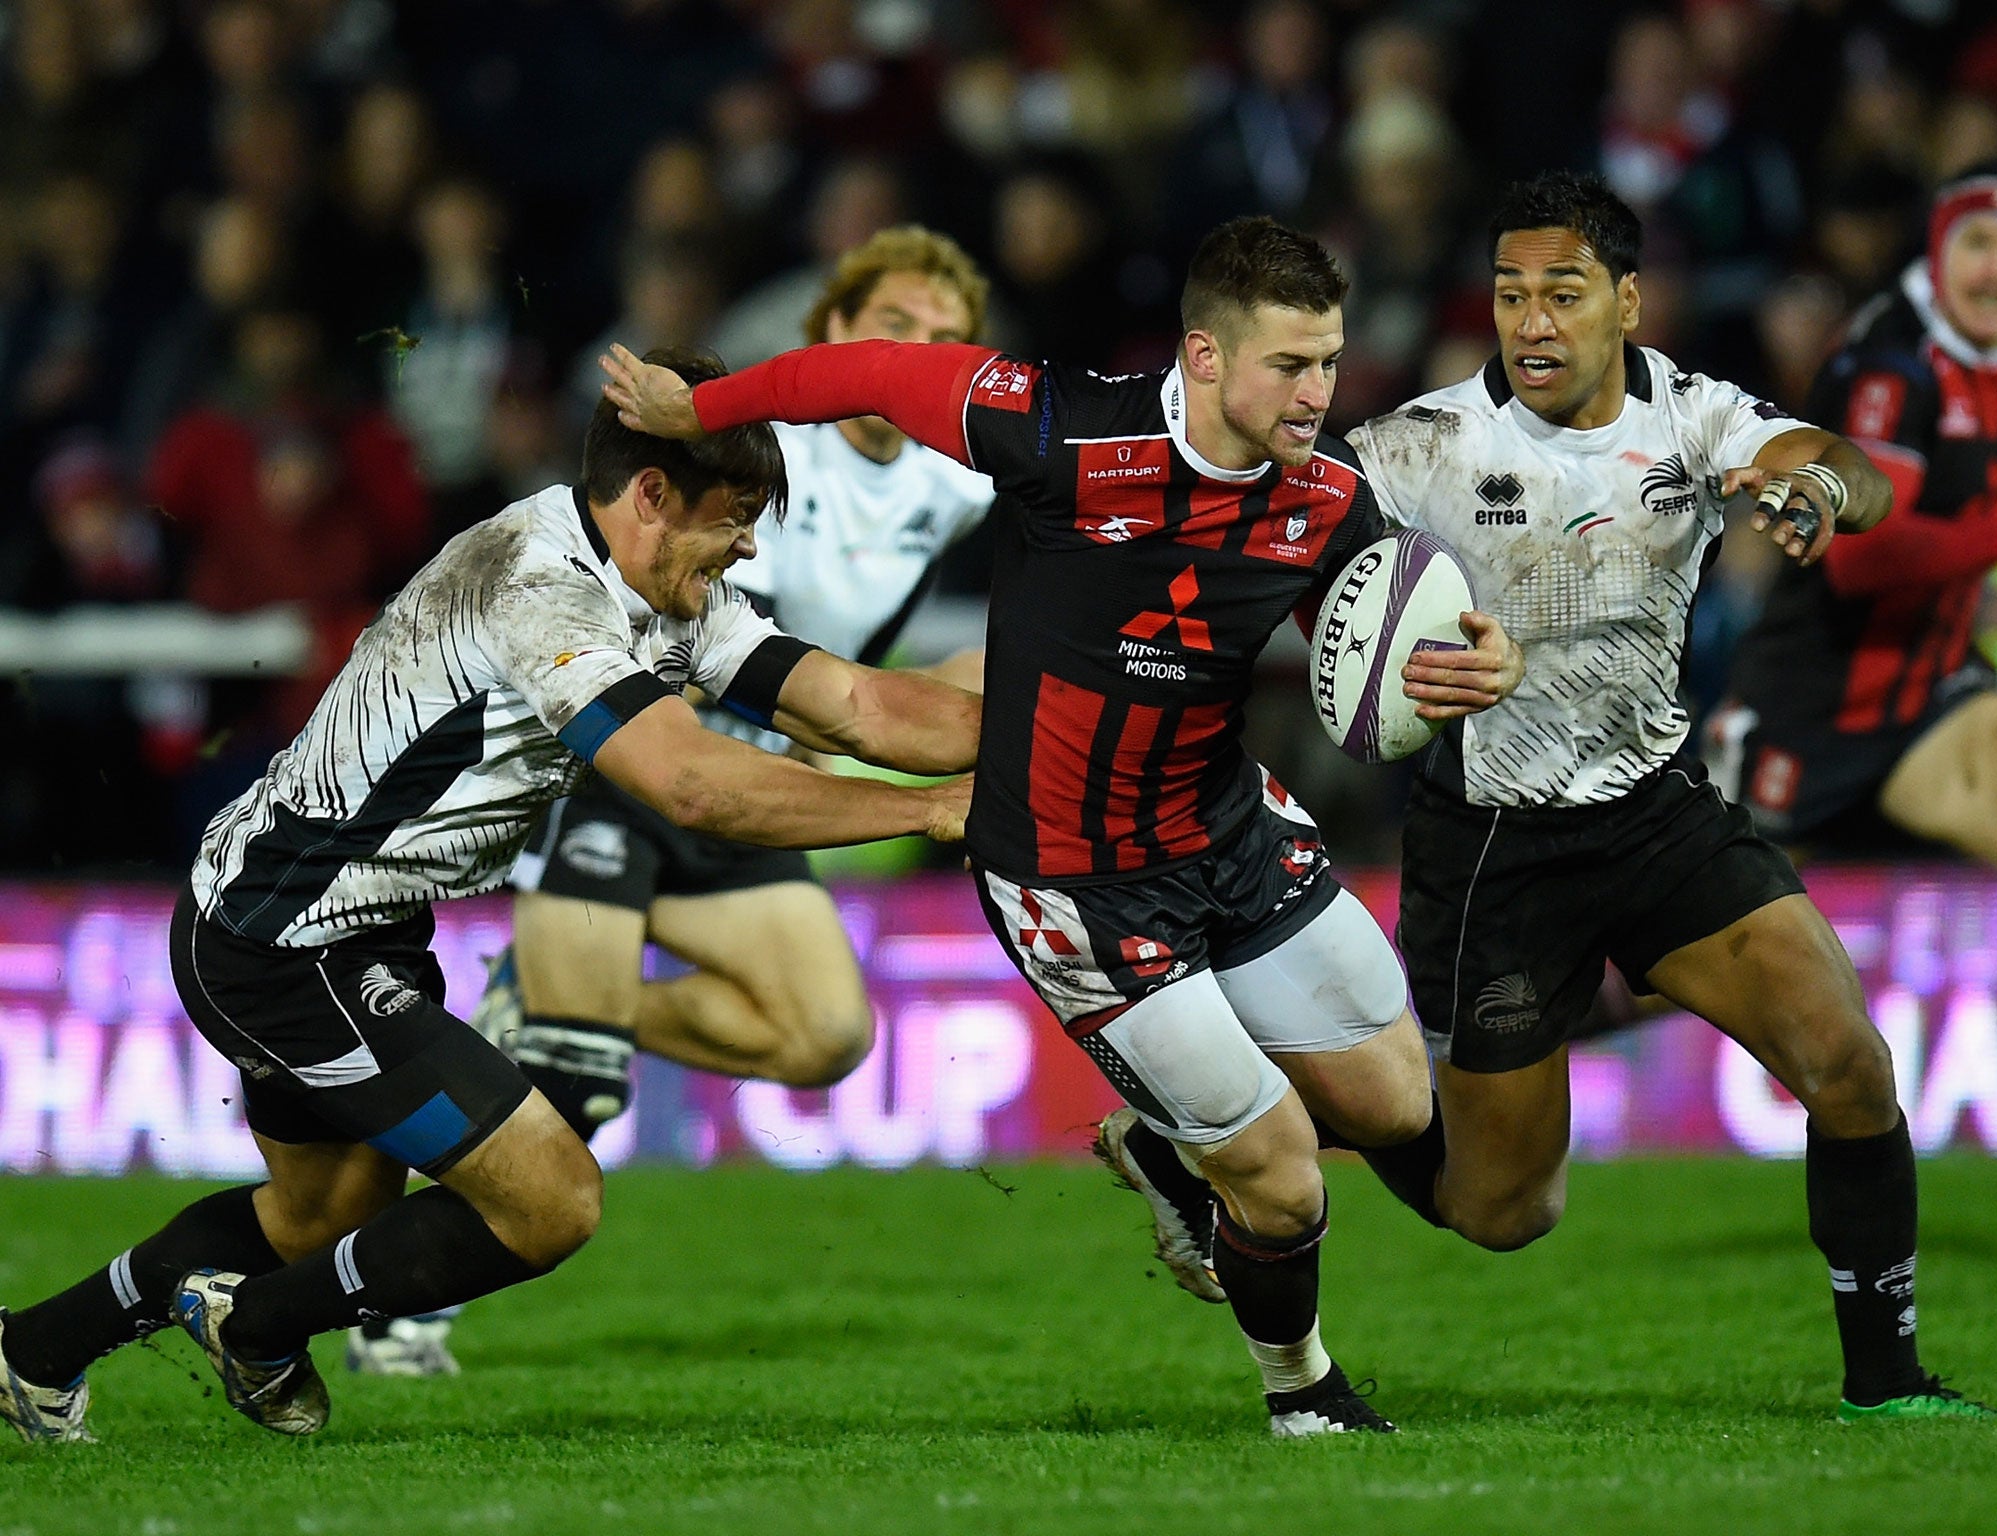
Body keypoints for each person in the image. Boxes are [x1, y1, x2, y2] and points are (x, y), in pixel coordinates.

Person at [598, 216, 1525, 1436]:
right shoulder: (1062, 428)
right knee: (1285, 1180)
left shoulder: (1327, 498)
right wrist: (705, 405)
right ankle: (1301, 1389)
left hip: (1228, 829)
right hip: (1074, 879)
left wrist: (1470, 666)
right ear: (1203, 356)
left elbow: (1376, 644)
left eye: (1328, 362)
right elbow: (872, 370)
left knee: (1398, 1109)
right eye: (1288, 366)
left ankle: (1160, 1137)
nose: (1316, 394)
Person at [0, 349, 979, 1443]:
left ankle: (32, 1351)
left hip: (335, 924)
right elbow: (692, 786)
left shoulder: (665, 596)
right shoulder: (536, 585)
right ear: (650, 496)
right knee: (550, 1198)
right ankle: (256, 1328)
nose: (750, 542)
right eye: (736, 514)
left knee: (316, 1219)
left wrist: (1052, 719)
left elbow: (855, 706)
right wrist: (932, 811)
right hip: (282, 938)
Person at [1339, 170, 1987, 1422]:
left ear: (1625, 303)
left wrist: (1814, 490)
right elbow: (1306, 581)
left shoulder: (1689, 414)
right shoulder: (1417, 447)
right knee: (1502, 1211)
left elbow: (1847, 467)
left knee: (1848, 1065)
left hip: (1656, 815)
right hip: (1492, 847)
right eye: (1509, 294)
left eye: (1562, 294)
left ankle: (1886, 1385)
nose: (1530, 322)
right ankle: (1287, 1117)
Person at [348, 227, 997, 1378]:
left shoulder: (957, 481)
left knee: (823, 1035)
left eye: (947, 338)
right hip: (633, 759)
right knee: (577, 1088)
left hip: (756, 778)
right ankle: (395, 1311)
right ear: (832, 334)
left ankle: (546, 1009)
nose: (920, 352)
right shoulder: (760, 447)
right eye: (895, 326)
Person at [1713, 165, 1997, 1035]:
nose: (1995, 272)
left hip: (1931, 697)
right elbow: (1862, 559)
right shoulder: (1892, 362)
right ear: (1938, 253)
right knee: (1670, 963)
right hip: (1809, 711)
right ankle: (1469, 1057)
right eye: (1977, 244)